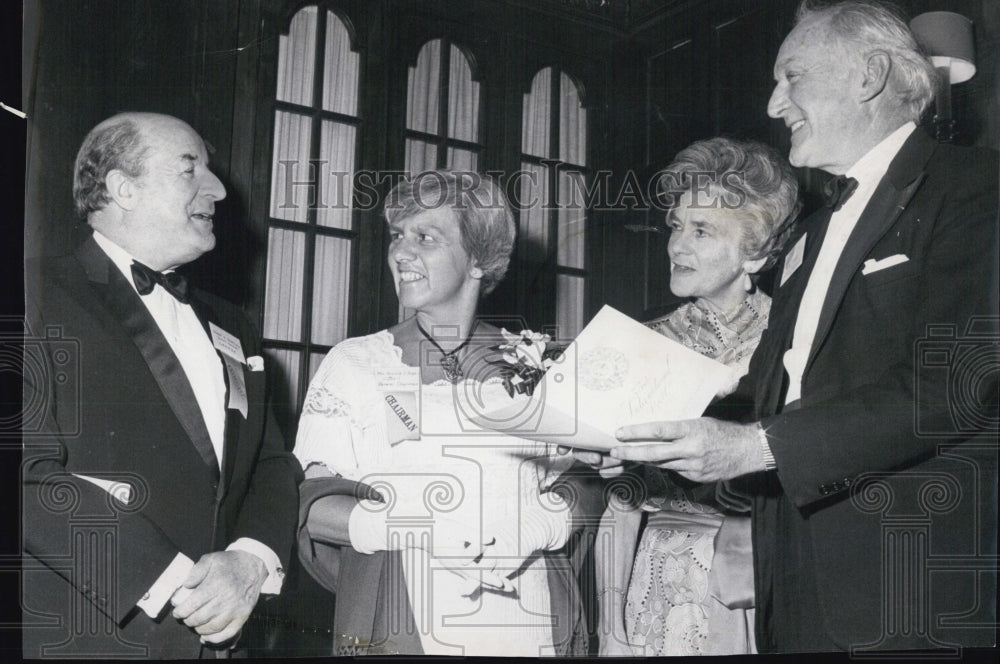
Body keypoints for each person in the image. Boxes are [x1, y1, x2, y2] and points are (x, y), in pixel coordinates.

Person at [609, 0, 998, 653]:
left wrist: (761, 448)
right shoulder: (812, 235)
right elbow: (773, 398)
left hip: (909, 581)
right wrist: (630, 435)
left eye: (792, 77)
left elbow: (956, 382)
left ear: (870, 75)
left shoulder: (976, 186)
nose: (773, 104)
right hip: (790, 577)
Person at [22, 112, 302, 659]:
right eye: (189, 169)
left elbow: (269, 463)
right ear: (123, 188)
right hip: (85, 638)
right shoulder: (30, 292)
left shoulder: (233, 325)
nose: (219, 189)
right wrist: (181, 585)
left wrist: (250, 561)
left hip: (221, 642)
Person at [293, 170, 597, 656]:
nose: (400, 252)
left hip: (528, 620)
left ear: (478, 259)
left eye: (425, 238)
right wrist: (422, 530)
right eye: (397, 235)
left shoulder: (540, 363)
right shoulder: (355, 362)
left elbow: (590, 483)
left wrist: (539, 526)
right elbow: (310, 507)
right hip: (402, 619)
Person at [592, 137, 799, 656]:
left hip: (776, 577)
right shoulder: (642, 345)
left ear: (757, 252)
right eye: (676, 225)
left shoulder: (797, 341)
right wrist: (611, 630)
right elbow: (621, 503)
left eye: (701, 230)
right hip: (664, 583)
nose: (677, 246)